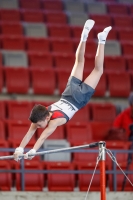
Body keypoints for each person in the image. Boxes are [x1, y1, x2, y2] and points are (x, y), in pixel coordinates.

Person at [13, 19, 112, 161]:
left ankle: (102, 40)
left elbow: (42, 137)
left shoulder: (53, 121)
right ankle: (84, 36)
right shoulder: (41, 114)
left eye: (40, 125)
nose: (39, 127)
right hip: (68, 92)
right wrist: (20, 149)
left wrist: (33, 151)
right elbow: (30, 133)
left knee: (98, 70)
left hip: (78, 98)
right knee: (79, 62)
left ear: (47, 118)